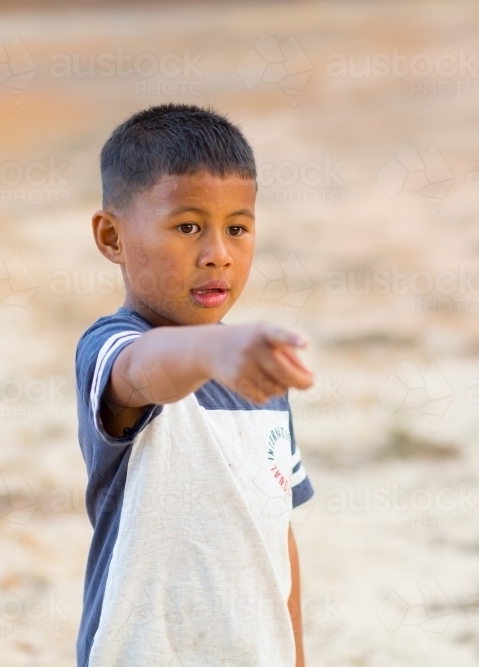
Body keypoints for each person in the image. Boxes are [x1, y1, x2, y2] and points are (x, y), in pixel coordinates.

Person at [75, 103, 316, 667]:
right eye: (187, 227)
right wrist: (214, 349)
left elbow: (278, 534)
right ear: (112, 237)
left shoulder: (255, 370)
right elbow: (143, 371)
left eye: (237, 228)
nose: (218, 255)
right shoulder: (112, 347)